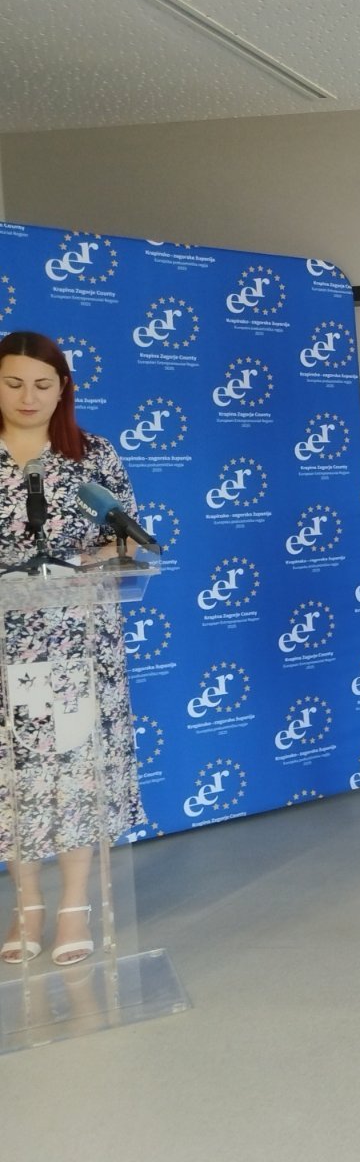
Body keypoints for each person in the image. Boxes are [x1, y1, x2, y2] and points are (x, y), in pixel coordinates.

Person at [0, 330, 143, 968]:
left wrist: (94, 558)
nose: (27, 396)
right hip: (5, 642)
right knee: (16, 772)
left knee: (75, 766)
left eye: (42, 384)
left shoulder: (92, 456)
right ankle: (27, 903)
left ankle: (75, 904)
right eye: (13, 383)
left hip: (77, 641)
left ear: (63, 390)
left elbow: (128, 538)